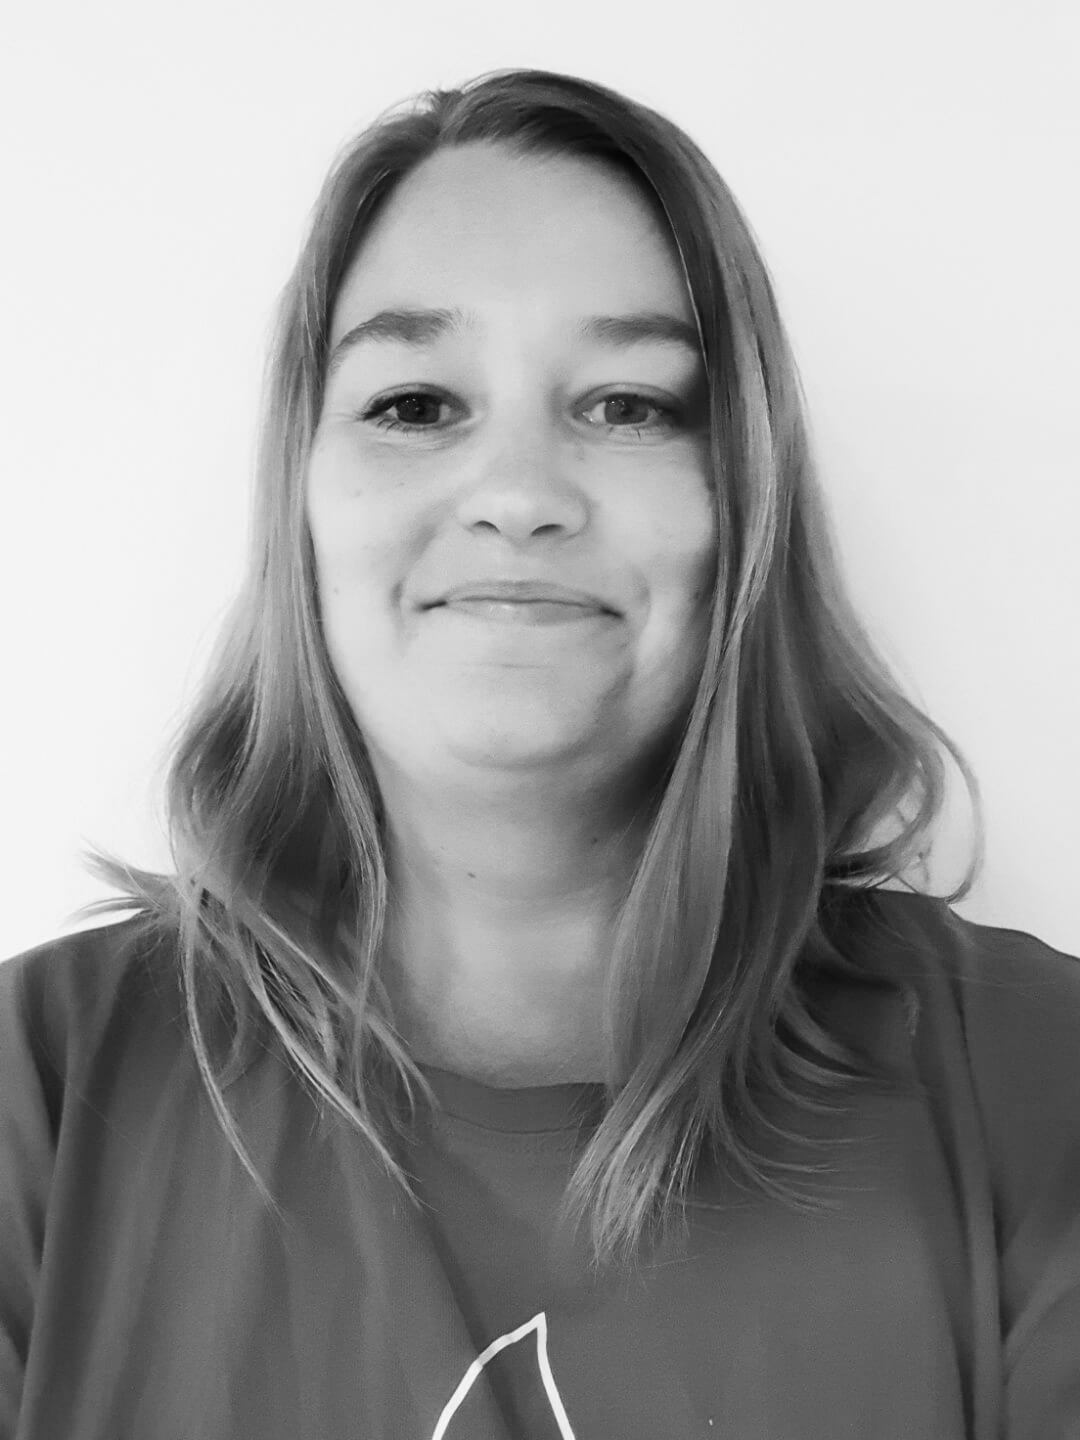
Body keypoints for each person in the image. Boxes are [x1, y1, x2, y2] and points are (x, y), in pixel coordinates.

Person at [1, 66, 1077, 1440]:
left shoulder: (1041, 1083)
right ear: (300, 501)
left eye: (628, 404)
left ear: (741, 503)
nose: (517, 494)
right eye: (415, 403)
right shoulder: (39, 1092)